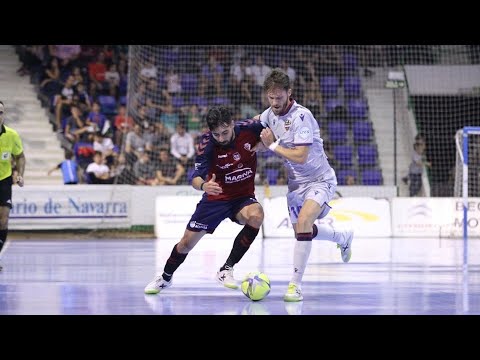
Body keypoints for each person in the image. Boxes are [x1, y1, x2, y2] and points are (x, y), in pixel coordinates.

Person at [256, 68, 353, 302]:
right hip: (295, 186)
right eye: (271, 97)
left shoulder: (302, 117)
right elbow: (251, 131)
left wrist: (270, 146)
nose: (275, 102)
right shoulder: (268, 115)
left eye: (279, 97)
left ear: (289, 93)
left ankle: (294, 286)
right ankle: (342, 237)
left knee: (303, 223)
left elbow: (300, 155)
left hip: (319, 180)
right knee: (302, 231)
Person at [144, 105, 265, 294]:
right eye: (217, 134)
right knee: (186, 244)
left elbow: (272, 120)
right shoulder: (207, 143)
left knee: (256, 215)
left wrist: (269, 142)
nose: (222, 138)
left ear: (233, 124)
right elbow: (194, 178)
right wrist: (204, 186)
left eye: (225, 132)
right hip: (215, 198)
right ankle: (165, 278)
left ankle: (226, 270)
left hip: (242, 198)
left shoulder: (250, 128)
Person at [0, 101, 26, 271]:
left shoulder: (11, 135)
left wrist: (20, 174)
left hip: (4, 180)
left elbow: (20, 157)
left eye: (1, 112)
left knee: (3, 219)